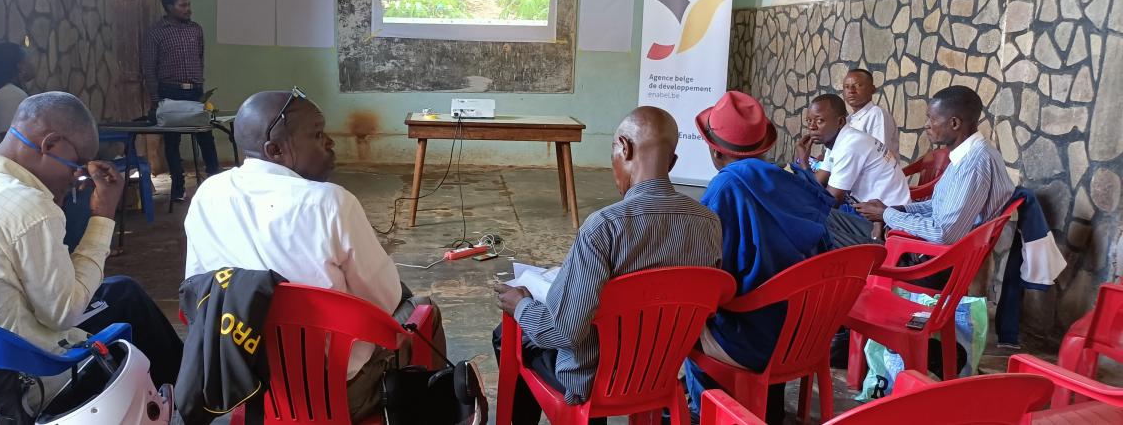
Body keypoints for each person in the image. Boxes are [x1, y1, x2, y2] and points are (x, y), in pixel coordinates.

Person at [183, 90, 445, 422]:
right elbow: (386, 301)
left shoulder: (209, 195)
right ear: (275, 150)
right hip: (339, 392)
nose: (331, 142)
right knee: (423, 308)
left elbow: (197, 290)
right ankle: (432, 410)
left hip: (247, 387)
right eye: (318, 134)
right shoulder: (330, 203)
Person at [0, 92, 184, 414]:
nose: (76, 178)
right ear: (50, 145)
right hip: (10, 384)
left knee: (121, 291)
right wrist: (103, 215)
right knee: (127, 314)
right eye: (76, 166)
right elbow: (63, 314)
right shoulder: (28, 206)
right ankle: (185, 396)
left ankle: (187, 390)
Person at [492, 106, 723, 425]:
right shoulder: (708, 224)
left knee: (510, 333)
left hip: (595, 382)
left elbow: (564, 330)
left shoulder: (604, 227)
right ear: (671, 162)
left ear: (625, 148)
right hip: (661, 371)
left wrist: (521, 305)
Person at [681, 91, 835, 419]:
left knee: (682, 323)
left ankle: (703, 409)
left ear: (714, 150)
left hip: (753, 343)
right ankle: (766, 403)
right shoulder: (795, 183)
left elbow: (714, 277)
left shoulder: (725, 189)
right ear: (764, 146)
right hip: (804, 334)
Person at [841, 86, 1014, 250]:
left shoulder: (973, 164)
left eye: (932, 118)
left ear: (954, 123)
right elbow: (940, 206)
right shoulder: (973, 153)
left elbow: (943, 233)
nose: (926, 124)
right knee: (831, 220)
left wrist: (887, 215)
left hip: (929, 260)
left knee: (825, 228)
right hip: (928, 249)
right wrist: (897, 209)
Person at [141, 0, 220, 202]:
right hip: (169, 91)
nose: (188, 9)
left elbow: (200, 59)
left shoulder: (196, 29)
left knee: (205, 135)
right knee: (172, 141)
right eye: (182, 5)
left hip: (195, 91)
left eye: (188, 4)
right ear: (169, 7)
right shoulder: (156, 33)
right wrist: (156, 101)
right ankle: (178, 187)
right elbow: (149, 69)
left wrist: (199, 86)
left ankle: (215, 181)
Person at [795, 93, 911, 208]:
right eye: (809, 121)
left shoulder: (849, 145)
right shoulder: (838, 140)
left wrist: (804, 164)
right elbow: (818, 182)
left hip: (885, 217)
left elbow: (831, 201)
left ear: (840, 122)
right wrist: (804, 162)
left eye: (819, 121)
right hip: (873, 211)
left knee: (804, 211)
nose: (812, 127)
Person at [833, 68, 900, 161]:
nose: (851, 90)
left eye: (858, 85)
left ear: (872, 89)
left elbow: (880, 157)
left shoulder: (876, 115)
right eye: (846, 86)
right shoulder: (848, 120)